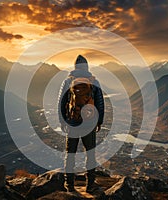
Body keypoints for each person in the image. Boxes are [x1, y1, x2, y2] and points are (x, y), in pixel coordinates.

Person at [57, 55, 104, 193]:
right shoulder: (94, 82)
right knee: (90, 154)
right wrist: (99, 121)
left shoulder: (67, 81)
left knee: (70, 154)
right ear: (87, 67)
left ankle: (69, 185)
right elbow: (100, 104)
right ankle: (90, 185)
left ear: (75, 67)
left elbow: (61, 102)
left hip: (72, 124)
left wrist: (62, 121)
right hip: (89, 124)